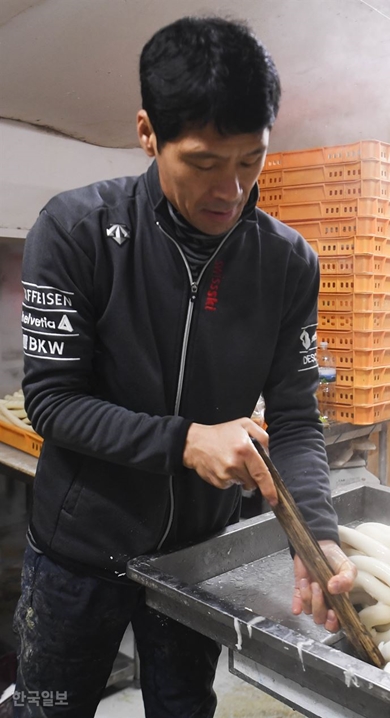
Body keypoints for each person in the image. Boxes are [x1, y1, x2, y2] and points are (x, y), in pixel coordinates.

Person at [13, 16, 356, 718]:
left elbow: (294, 418)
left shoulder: (287, 264)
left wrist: (314, 532)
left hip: (196, 558)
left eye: (249, 160)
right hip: (77, 554)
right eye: (204, 162)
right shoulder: (77, 231)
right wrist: (186, 441)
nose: (229, 189)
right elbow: (51, 400)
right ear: (149, 133)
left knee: (183, 709)